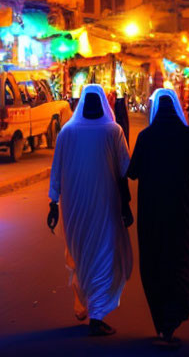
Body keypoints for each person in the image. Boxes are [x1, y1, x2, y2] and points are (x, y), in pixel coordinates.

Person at [127, 89, 189, 347]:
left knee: (155, 262)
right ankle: (173, 316)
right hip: (182, 212)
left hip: (151, 213)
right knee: (181, 261)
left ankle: (163, 319)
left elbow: (132, 173)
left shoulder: (145, 137)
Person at [47, 84, 133, 337]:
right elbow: (125, 171)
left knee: (82, 253)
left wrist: (53, 204)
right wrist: (126, 204)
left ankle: (89, 306)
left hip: (74, 207)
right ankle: (96, 314)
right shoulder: (113, 130)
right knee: (104, 254)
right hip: (106, 204)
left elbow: (56, 171)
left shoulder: (68, 132)